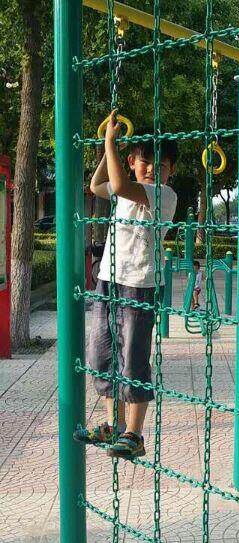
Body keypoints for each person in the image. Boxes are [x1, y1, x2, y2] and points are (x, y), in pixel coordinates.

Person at [75, 111, 178, 460]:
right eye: (145, 162)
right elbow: (97, 185)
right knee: (101, 353)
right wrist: (112, 150)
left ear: (170, 171)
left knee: (132, 359)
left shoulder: (163, 195)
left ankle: (134, 434)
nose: (152, 170)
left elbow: (118, 185)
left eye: (160, 166)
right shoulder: (125, 190)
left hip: (139, 285)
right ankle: (112, 424)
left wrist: (110, 142)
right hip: (109, 280)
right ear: (132, 162)